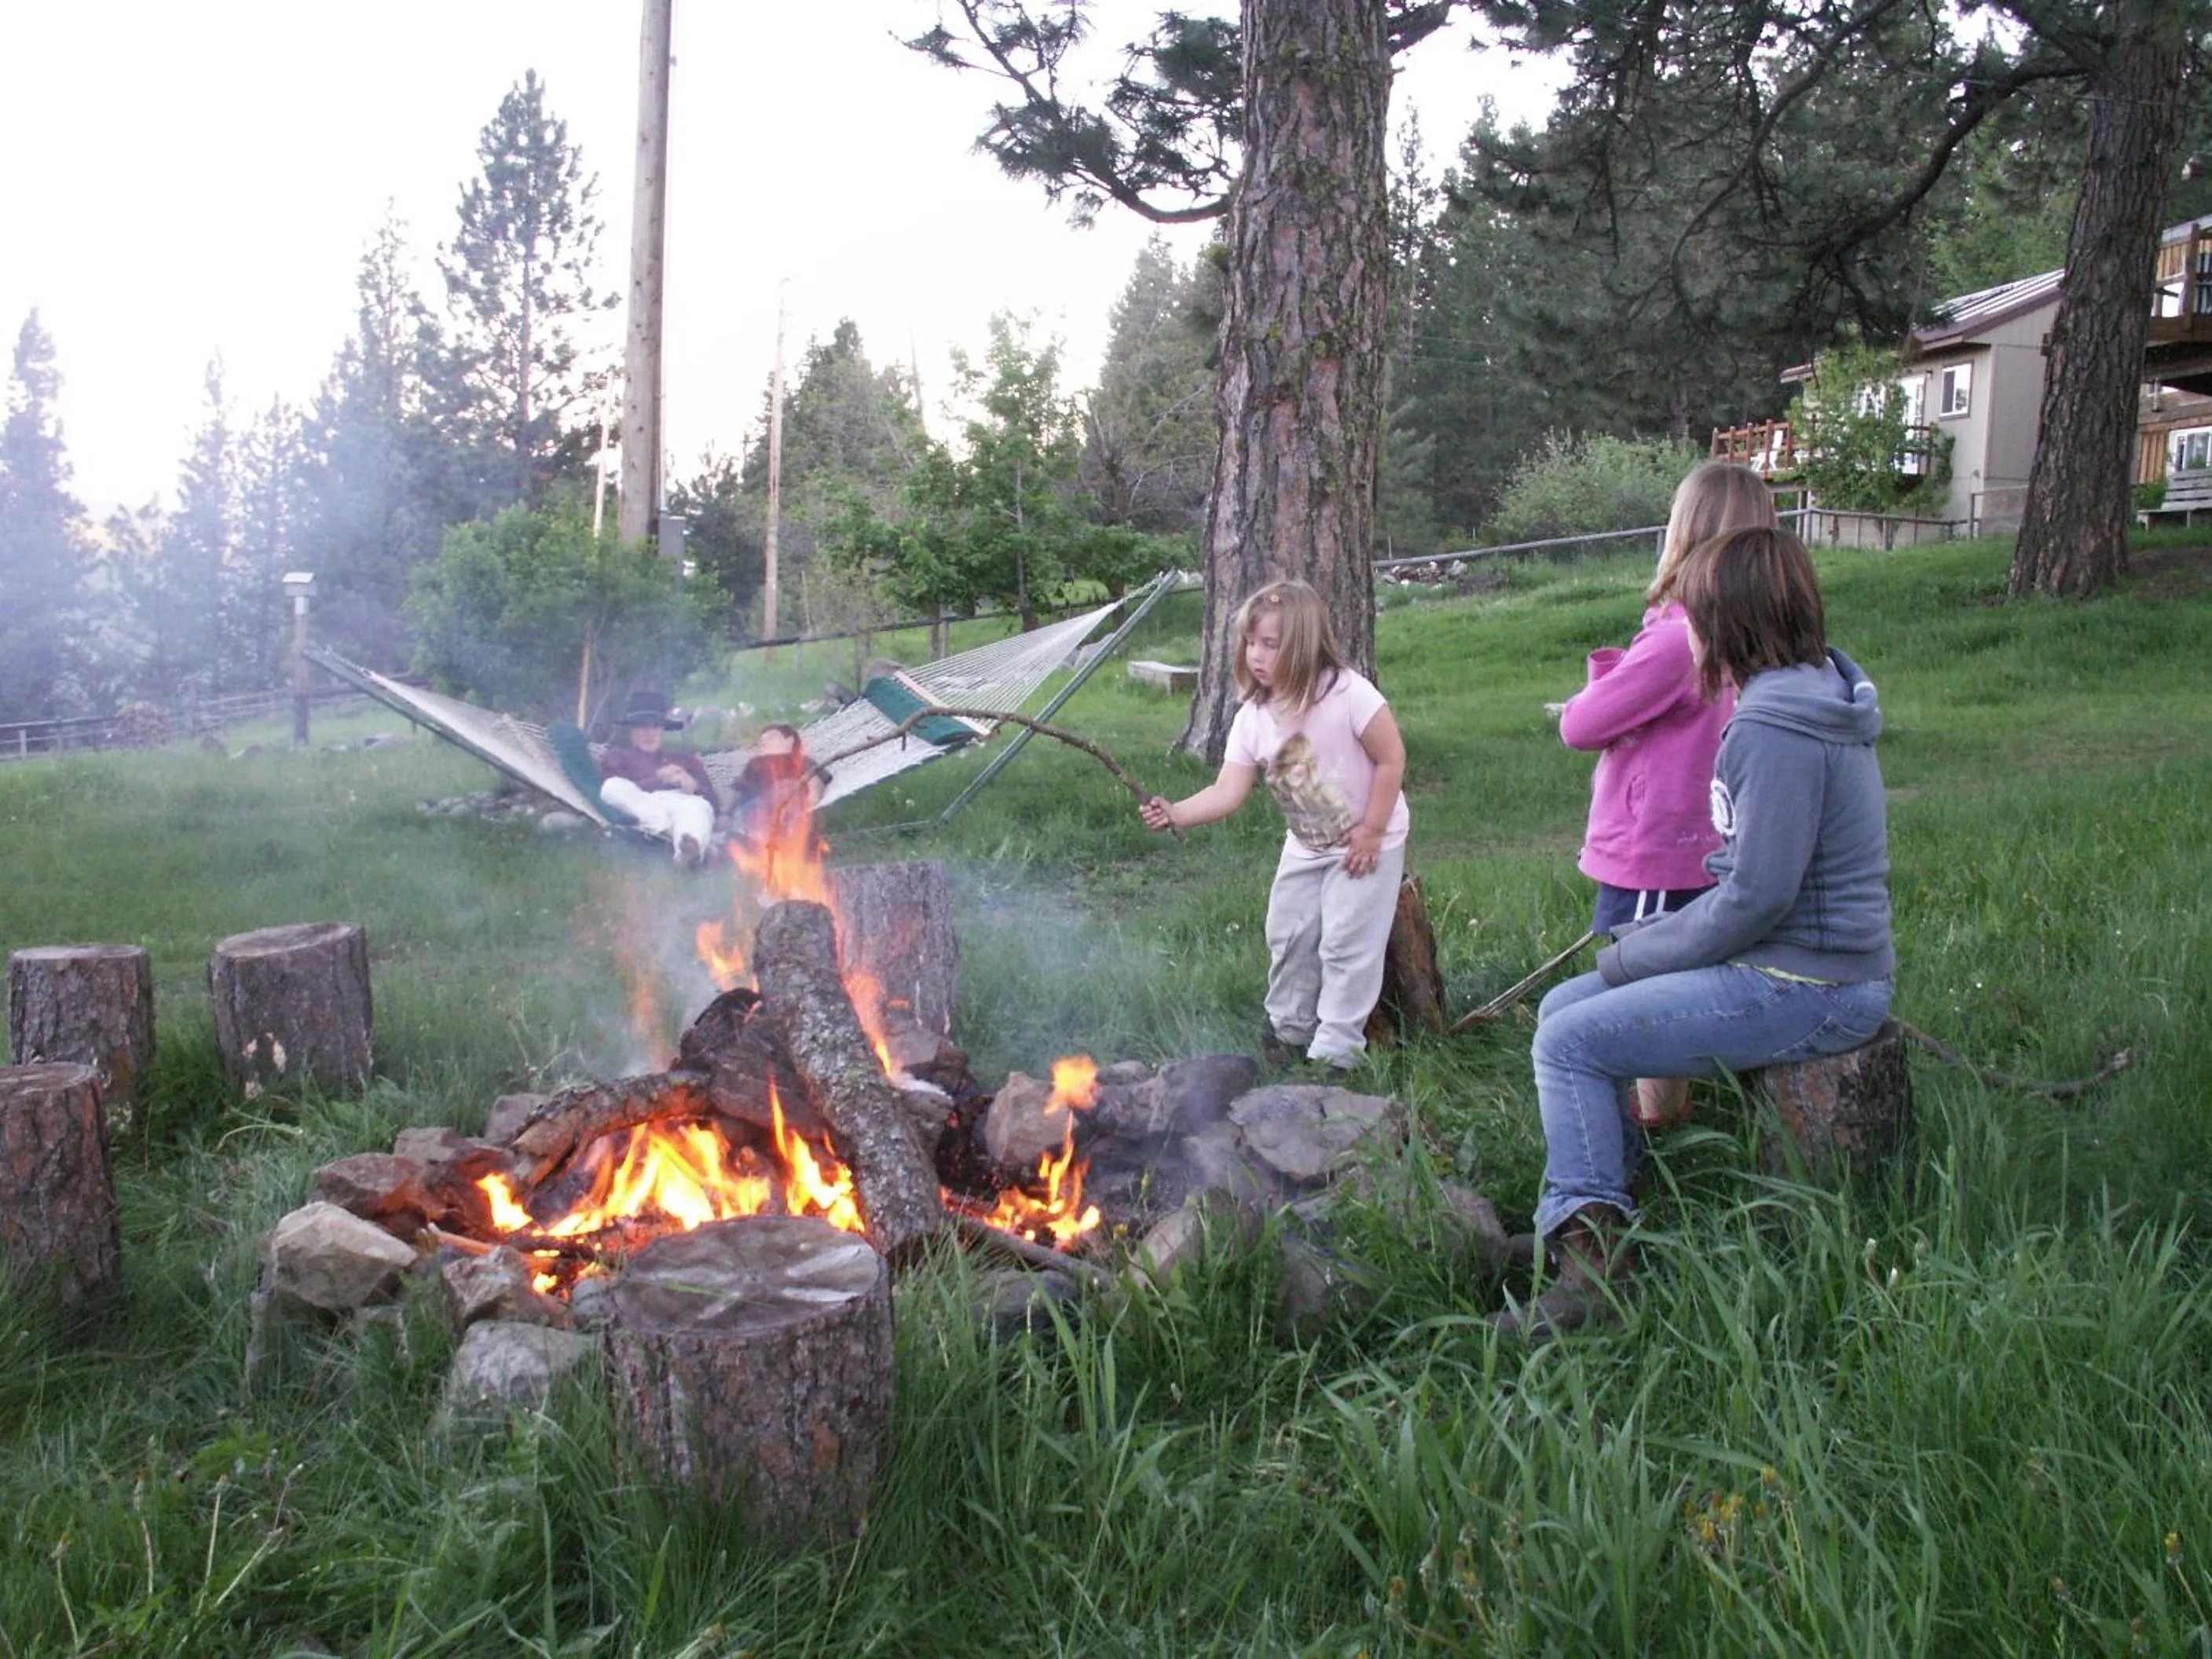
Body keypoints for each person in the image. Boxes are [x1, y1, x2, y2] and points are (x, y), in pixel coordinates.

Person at [1493, 526, 1895, 1341]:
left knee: (1569, 1042)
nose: (1687, 634)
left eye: (1695, 617)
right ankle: (1592, 1203)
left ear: (1728, 625)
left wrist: (1635, 954)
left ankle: (1594, 1273)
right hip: (1797, 966)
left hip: (1810, 985)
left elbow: (1754, 900)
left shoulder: (1774, 730)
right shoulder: (1796, 695)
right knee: (1559, 1010)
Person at [1556, 460, 1778, 1130]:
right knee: (1689, 972)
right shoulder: (1756, 631)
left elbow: (1581, 725)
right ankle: (1687, 1101)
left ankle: (1650, 1119)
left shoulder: (1679, 638)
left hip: (1659, 849)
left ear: (1683, 534)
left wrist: (1606, 674)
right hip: (1714, 841)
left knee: (1641, 978)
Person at [1139, 580, 1409, 1071]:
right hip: (1306, 847)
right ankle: (1289, 1029)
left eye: (1271, 643)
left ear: (1304, 644)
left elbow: (1391, 759)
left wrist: (1372, 830)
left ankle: (1337, 1050)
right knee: (1288, 936)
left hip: (1366, 842)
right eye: (1250, 642)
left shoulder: (1349, 694)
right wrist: (1177, 812)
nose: (1256, 654)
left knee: (1347, 942)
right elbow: (1228, 791)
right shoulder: (1253, 718)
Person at [596, 690, 720, 865]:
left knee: (699, 806)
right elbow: (607, 794)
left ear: (662, 729)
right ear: (632, 730)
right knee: (612, 787)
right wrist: (658, 779)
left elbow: (714, 805)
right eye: (642, 727)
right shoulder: (618, 756)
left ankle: (687, 856)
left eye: (655, 726)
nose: (649, 733)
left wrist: (694, 786)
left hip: (681, 804)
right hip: (642, 805)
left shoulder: (685, 760)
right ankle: (674, 834)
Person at [728, 722, 830, 855]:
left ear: (789, 741)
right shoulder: (755, 764)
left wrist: (814, 796)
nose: (764, 743)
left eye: (770, 738)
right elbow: (736, 789)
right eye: (762, 742)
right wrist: (725, 813)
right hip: (758, 809)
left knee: (789, 787)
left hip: (791, 806)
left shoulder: (801, 760)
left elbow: (814, 778)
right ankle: (772, 841)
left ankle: (784, 841)